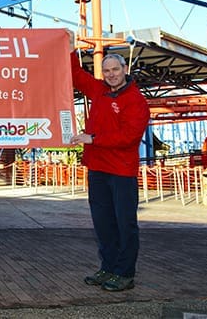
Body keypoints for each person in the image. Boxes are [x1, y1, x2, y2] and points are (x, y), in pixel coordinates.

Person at [69, 51, 150, 292]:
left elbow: (129, 137)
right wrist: (72, 49)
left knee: (124, 224)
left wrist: (92, 139)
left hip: (121, 172)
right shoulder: (99, 91)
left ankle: (125, 273)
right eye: (106, 71)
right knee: (103, 223)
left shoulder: (136, 100)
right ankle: (108, 267)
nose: (111, 74)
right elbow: (76, 76)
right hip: (98, 169)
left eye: (115, 69)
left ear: (124, 69)